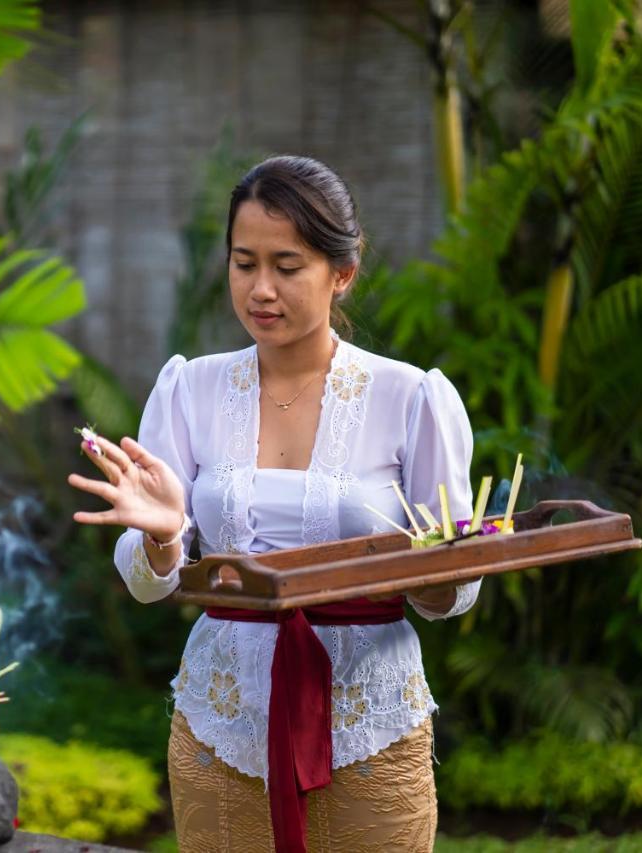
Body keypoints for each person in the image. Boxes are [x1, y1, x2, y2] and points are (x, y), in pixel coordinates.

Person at [68, 155, 479, 853]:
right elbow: (146, 580)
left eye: (287, 266)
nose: (261, 289)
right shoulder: (189, 389)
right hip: (219, 725)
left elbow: (454, 592)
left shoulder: (410, 398)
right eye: (243, 263)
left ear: (341, 271)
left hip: (371, 722)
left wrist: (439, 567)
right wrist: (168, 538)